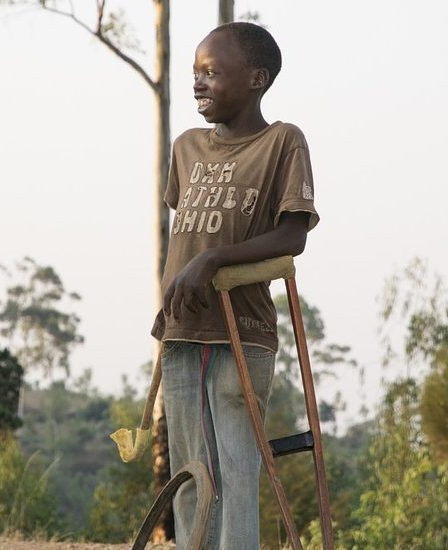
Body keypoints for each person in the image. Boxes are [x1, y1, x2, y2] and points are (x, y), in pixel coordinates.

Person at [151, 21, 319, 550]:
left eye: (212, 73)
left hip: (240, 330)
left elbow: (293, 235)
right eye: (195, 73)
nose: (198, 83)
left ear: (255, 79)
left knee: (235, 469)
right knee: (190, 473)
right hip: (183, 328)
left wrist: (214, 259)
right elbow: (189, 228)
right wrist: (189, 269)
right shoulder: (186, 149)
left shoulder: (282, 141)